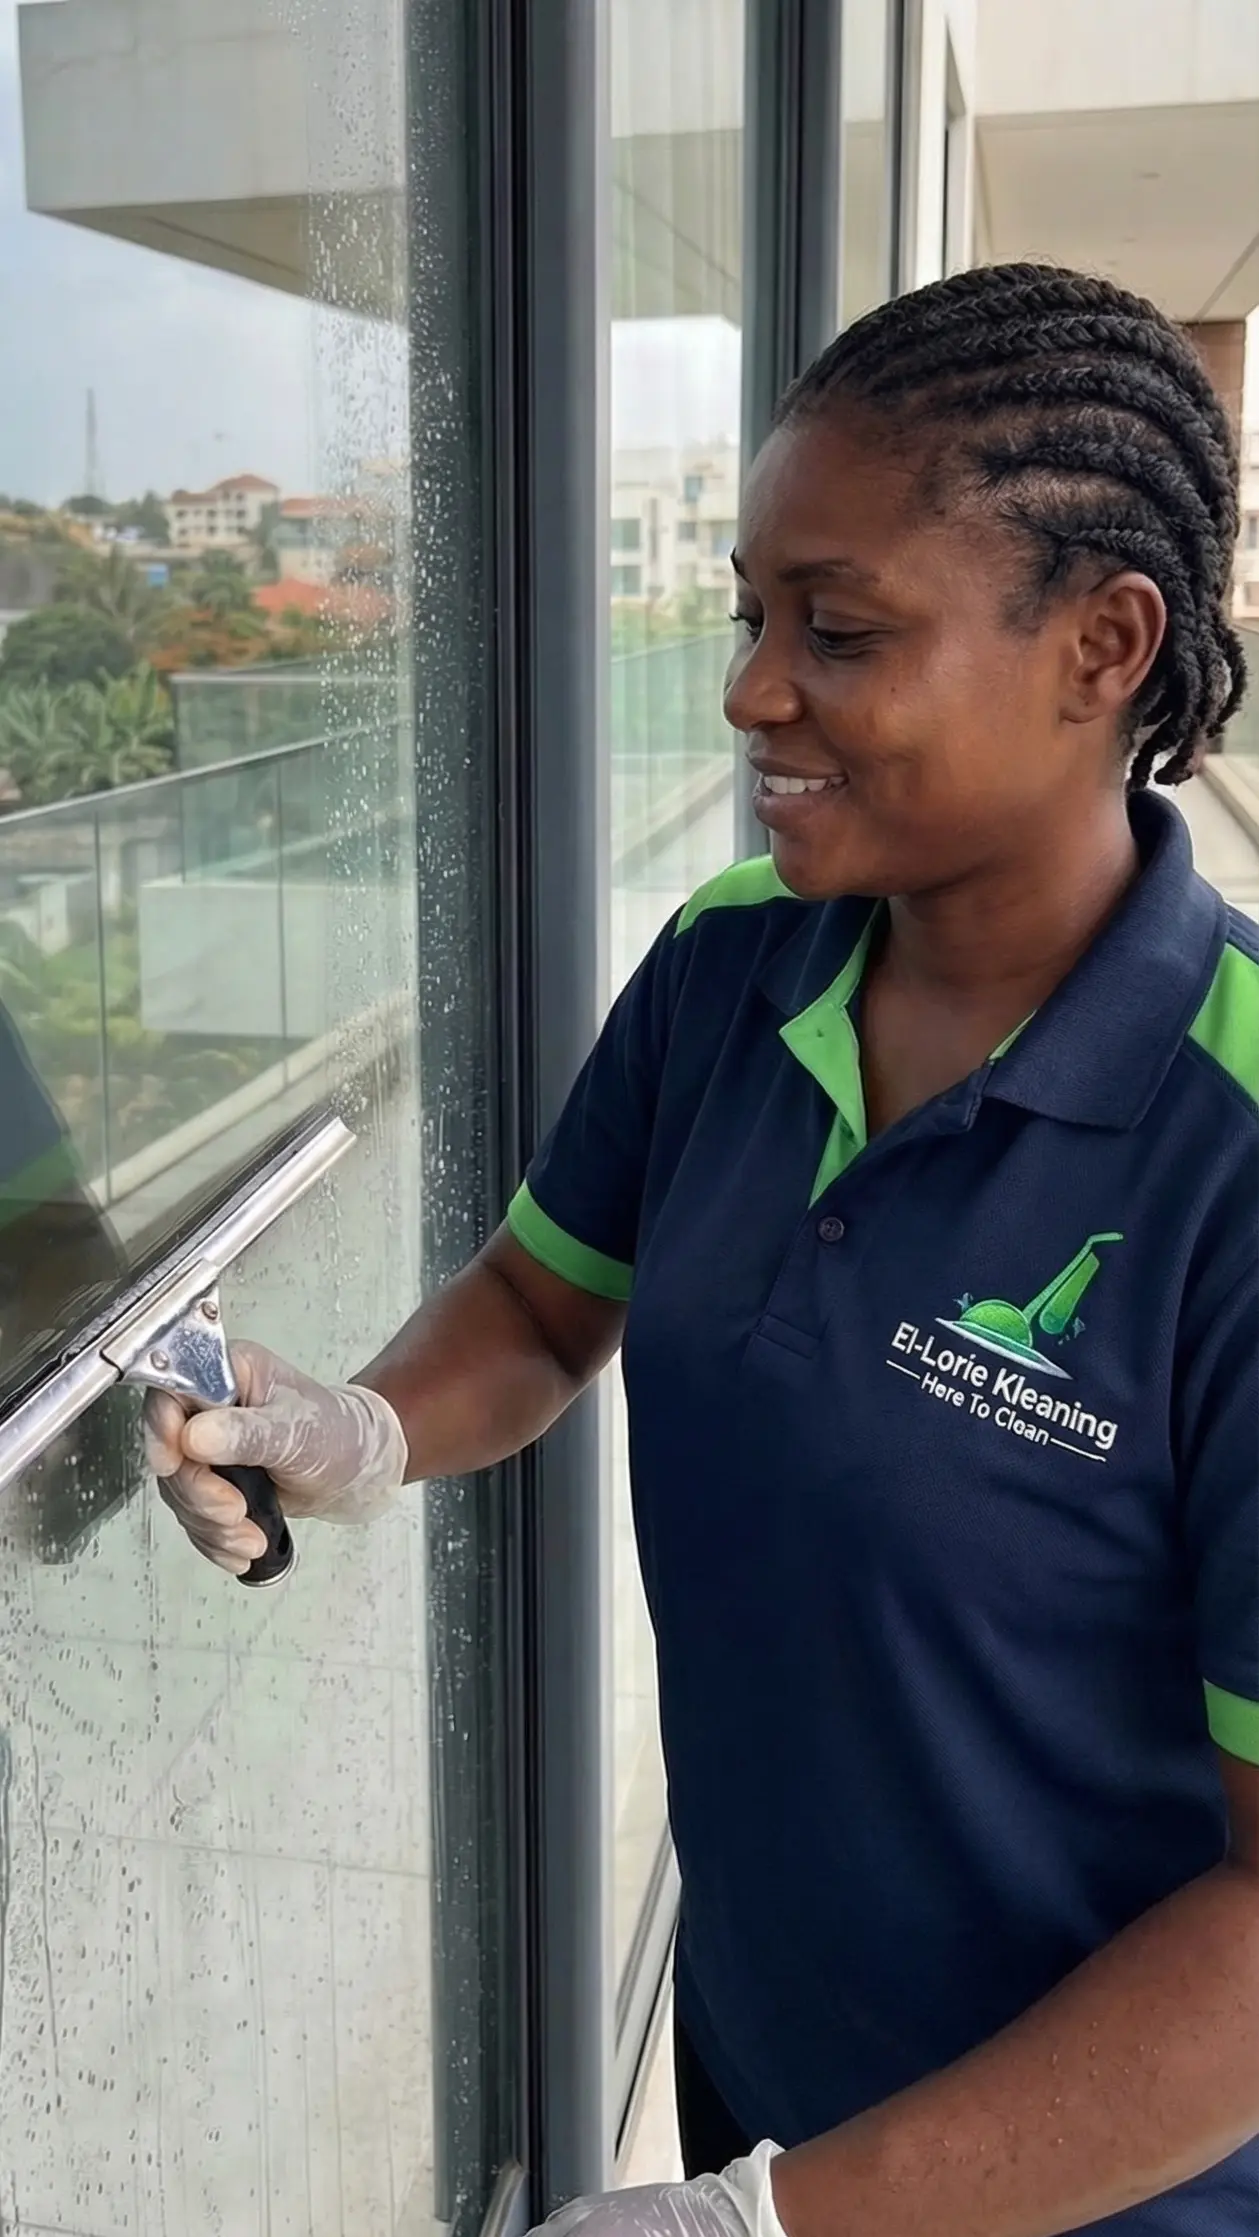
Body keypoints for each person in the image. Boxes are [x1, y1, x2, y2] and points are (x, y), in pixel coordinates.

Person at [147, 265, 1259, 2237]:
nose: (746, 687)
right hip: (767, 2080)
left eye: (835, 630)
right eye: (751, 612)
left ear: (1101, 643)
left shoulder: (1227, 1157)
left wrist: (778, 2225)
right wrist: (361, 1426)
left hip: (1101, 2187)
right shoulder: (731, 961)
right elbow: (541, 1297)